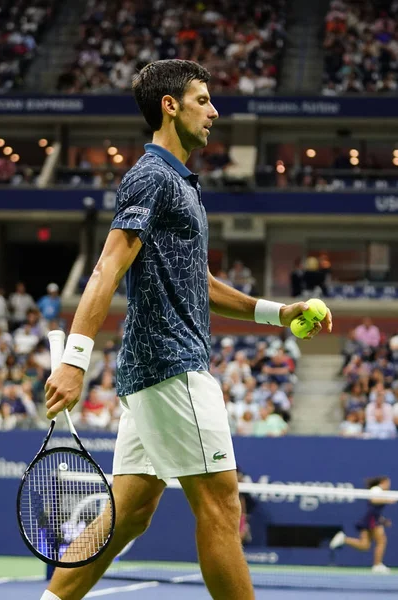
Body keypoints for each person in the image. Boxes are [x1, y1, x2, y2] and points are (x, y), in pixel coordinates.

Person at [42, 59, 332, 600]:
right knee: (222, 505)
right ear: (170, 106)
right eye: (203, 99)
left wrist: (279, 313)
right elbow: (108, 265)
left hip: (148, 375)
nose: (214, 111)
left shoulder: (180, 183)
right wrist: (75, 359)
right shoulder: (151, 175)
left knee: (127, 516)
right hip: (171, 369)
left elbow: (199, 282)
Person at [330, 476, 397, 573]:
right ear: (383, 482)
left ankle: (344, 539)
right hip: (372, 520)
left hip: (372, 519)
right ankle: (377, 565)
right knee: (382, 541)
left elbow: (374, 510)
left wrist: (383, 520)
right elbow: (373, 500)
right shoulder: (376, 489)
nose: (389, 485)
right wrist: (389, 500)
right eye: (388, 483)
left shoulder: (381, 492)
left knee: (364, 545)